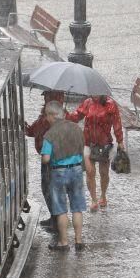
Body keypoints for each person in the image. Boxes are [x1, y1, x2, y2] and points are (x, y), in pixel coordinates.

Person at [66, 95, 124, 211]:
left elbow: (117, 123)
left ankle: (103, 195)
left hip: (104, 144)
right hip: (88, 142)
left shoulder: (110, 104)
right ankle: (93, 200)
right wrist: (66, 115)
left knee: (104, 173)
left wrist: (120, 140)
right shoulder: (88, 102)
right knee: (90, 172)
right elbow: (77, 116)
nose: (94, 94)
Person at [41, 101, 86, 251]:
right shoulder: (76, 128)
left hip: (59, 172)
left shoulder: (50, 134)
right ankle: (79, 241)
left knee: (60, 209)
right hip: (77, 170)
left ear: (53, 116)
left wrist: (47, 156)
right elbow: (83, 150)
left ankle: (64, 243)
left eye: (47, 115)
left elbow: (46, 158)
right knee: (77, 208)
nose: (46, 118)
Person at [25, 90, 64, 229]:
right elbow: (32, 131)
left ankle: (57, 221)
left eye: (47, 97)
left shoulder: (54, 117)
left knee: (51, 189)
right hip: (47, 158)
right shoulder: (45, 116)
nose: (44, 99)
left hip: (53, 159)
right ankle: (54, 218)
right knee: (47, 188)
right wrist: (25, 126)